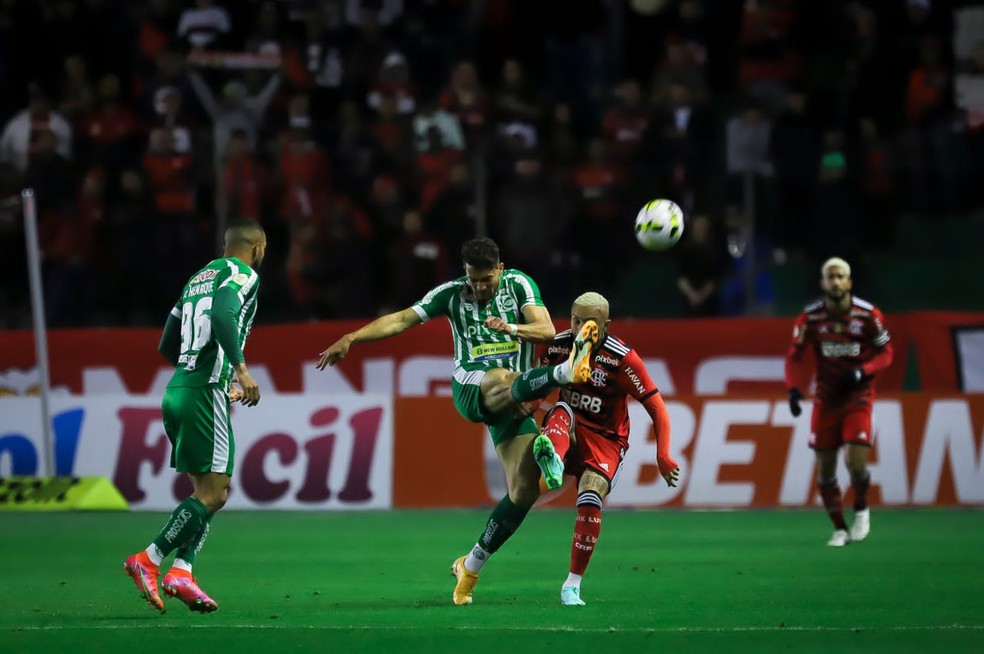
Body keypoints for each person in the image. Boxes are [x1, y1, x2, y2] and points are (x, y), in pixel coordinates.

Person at [317, 236, 599, 605]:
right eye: (473, 279)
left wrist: (510, 329)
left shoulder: (519, 284)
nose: (480, 287)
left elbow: (546, 330)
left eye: (486, 279)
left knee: (524, 491)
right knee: (500, 377)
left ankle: (471, 563)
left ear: (500, 268)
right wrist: (351, 338)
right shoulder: (451, 294)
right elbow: (402, 319)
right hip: (474, 387)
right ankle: (564, 373)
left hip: (516, 395)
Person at [122, 220, 267, 612]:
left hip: (179, 388)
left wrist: (201, 373)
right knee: (214, 493)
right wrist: (238, 370)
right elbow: (222, 314)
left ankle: (182, 572)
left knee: (207, 494)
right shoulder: (243, 274)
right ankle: (149, 560)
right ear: (256, 246)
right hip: (203, 392)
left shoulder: (196, 279)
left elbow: (168, 342)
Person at [537, 292, 680, 606]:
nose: (578, 328)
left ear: (606, 324)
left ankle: (571, 585)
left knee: (590, 498)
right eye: (574, 320)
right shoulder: (560, 345)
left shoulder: (622, 358)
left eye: (587, 322)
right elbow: (536, 384)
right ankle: (555, 460)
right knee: (562, 411)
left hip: (607, 440)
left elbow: (657, 407)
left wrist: (663, 454)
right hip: (570, 429)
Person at [784, 257, 893, 547]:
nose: (835, 281)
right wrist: (793, 389)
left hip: (858, 398)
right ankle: (839, 529)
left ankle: (861, 510)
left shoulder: (868, 315)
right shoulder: (810, 317)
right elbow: (794, 356)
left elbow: (886, 353)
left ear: (849, 282)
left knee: (855, 463)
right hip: (826, 401)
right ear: (823, 283)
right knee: (826, 470)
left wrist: (863, 371)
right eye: (830, 277)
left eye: (840, 276)